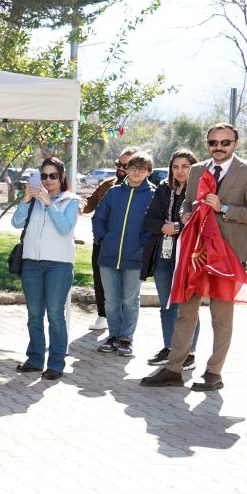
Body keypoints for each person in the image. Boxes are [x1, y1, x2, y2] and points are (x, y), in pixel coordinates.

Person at [142, 124, 247, 392]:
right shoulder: (198, 170)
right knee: (186, 313)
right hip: (196, 251)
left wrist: (224, 208)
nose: (218, 147)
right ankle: (174, 368)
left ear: (236, 143)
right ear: (207, 143)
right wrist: (185, 215)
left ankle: (213, 373)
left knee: (221, 317)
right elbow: (188, 202)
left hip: (228, 254)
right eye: (213, 142)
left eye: (225, 142)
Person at [12, 156, 80, 379]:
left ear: (61, 177)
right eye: (43, 176)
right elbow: (16, 222)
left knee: (55, 315)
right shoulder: (33, 199)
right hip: (31, 263)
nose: (48, 180)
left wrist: (49, 204)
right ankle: (34, 359)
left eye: (53, 175)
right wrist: (26, 199)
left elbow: (65, 228)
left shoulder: (70, 201)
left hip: (59, 266)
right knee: (34, 315)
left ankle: (56, 364)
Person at [90, 152, 154, 358]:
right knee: (110, 300)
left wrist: (142, 245)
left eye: (141, 168)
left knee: (129, 299)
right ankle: (113, 335)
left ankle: (126, 338)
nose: (136, 172)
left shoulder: (153, 195)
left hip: (135, 258)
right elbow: (98, 218)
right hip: (108, 255)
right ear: (126, 169)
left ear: (149, 172)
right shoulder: (114, 192)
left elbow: (153, 225)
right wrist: (102, 239)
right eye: (133, 167)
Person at [141, 149, 198, 367]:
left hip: (188, 252)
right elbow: (149, 219)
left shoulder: (200, 189)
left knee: (187, 304)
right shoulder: (164, 187)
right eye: (175, 166)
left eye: (185, 166)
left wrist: (178, 226)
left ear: (193, 167)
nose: (180, 171)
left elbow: (200, 219)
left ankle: (189, 353)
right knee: (167, 302)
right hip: (163, 251)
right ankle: (169, 347)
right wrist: (165, 227)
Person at [82, 147, 139, 333]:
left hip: (129, 246)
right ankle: (102, 315)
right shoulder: (108, 185)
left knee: (125, 287)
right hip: (102, 243)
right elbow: (89, 205)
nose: (121, 168)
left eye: (126, 165)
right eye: (119, 164)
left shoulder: (145, 189)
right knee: (100, 279)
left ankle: (123, 329)